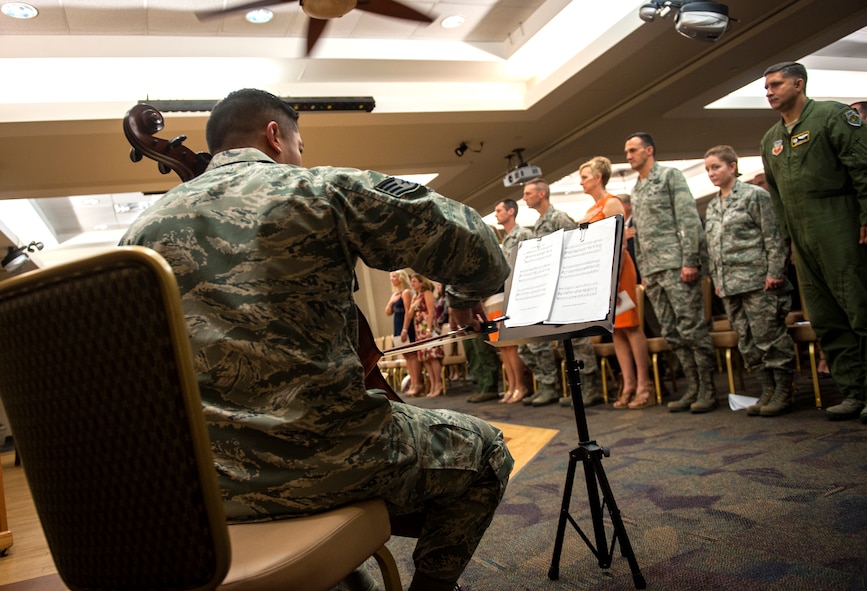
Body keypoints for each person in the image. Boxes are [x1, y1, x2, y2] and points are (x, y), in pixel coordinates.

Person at [120, 88, 513, 591]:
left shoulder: (138, 234)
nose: (301, 157)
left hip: (196, 484)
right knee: (485, 454)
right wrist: (462, 296)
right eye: (299, 145)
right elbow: (475, 245)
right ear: (275, 136)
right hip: (324, 459)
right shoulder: (320, 190)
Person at [760, 62, 867, 423]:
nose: (769, 91)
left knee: (859, 306)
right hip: (801, 233)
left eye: (776, 85)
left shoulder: (831, 115)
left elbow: (862, 169)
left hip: (838, 218)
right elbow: (776, 196)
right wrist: (789, 239)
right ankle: (854, 392)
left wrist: (866, 216)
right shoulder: (770, 138)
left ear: (798, 84)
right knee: (824, 316)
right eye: (767, 87)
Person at [625, 132, 717, 413]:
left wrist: (690, 260)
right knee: (672, 332)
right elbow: (638, 234)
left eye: (633, 150)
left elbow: (688, 219)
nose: (628, 155)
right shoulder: (637, 188)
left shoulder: (669, 176)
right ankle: (692, 386)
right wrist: (643, 269)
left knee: (692, 328)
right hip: (653, 271)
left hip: (677, 265)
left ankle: (708, 389)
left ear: (649, 150)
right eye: (627, 151)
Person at [703, 145, 796, 416]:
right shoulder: (712, 205)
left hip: (759, 282)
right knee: (747, 342)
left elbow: (773, 236)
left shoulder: (754, 196)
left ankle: (783, 391)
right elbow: (714, 246)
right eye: (708, 169)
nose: (711, 173)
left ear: (732, 166)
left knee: (770, 338)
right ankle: (766, 389)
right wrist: (718, 280)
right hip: (730, 286)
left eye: (716, 167)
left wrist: (776, 272)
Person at [518, 179, 603, 408]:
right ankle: (576, 388)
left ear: (542, 193)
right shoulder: (539, 223)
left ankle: (591, 388)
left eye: (528, 193)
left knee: (577, 339)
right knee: (564, 342)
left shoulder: (559, 218)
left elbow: (577, 249)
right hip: (551, 290)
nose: (524, 197)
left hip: (568, 288)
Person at [578, 157, 655, 409]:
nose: (581, 182)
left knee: (631, 327)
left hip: (619, 272)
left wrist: (612, 279)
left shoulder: (612, 203)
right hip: (601, 273)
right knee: (616, 330)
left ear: (598, 178)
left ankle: (645, 384)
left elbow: (620, 245)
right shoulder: (591, 208)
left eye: (585, 177)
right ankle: (629, 383)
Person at [493, 198, 533, 404]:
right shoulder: (505, 241)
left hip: (524, 294)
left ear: (511, 211)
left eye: (499, 210)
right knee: (505, 344)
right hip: (507, 295)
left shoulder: (524, 234)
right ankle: (512, 385)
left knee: (514, 344)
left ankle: (522, 385)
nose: (496, 214)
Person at [385, 269, 424, 396]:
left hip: (405, 327)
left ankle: (418, 383)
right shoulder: (395, 294)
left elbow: (408, 312)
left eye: (394, 276)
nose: (392, 279)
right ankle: (412, 383)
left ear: (401, 277)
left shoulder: (406, 292)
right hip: (397, 326)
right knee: (407, 356)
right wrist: (391, 302)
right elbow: (388, 312)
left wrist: (405, 329)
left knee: (412, 354)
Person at [410, 273, 446, 398]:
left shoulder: (427, 293)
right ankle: (432, 384)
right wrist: (412, 306)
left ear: (421, 282)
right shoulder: (415, 297)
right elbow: (409, 314)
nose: (412, 283)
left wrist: (429, 329)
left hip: (427, 327)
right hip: (419, 328)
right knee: (425, 358)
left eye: (414, 281)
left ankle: (438, 383)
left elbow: (431, 312)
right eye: (411, 281)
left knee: (432, 356)